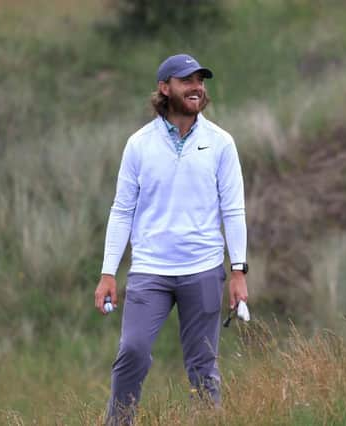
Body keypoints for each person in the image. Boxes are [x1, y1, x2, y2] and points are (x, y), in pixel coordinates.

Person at [94, 53, 248, 425]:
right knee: (132, 350)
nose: (197, 87)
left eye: (200, 81)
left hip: (204, 269)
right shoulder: (139, 145)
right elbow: (121, 210)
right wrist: (108, 272)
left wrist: (239, 270)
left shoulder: (221, 143)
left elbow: (234, 210)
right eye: (187, 81)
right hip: (151, 270)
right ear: (165, 89)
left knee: (202, 365)